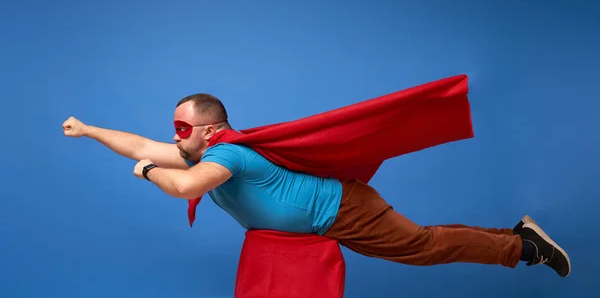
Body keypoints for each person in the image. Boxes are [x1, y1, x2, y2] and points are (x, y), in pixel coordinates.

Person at [62, 93, 571, 278]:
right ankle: (516, 235)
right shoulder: (196, 150)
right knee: (422, 240)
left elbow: (185, 185)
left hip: (344, 210)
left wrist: (151, 174)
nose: (171, 138)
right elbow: (136, 144)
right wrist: (88, 130)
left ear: (210, 131)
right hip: (315, 225)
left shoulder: (227, 156)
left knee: (421, 247)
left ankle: (522, 249)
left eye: (180, 129)